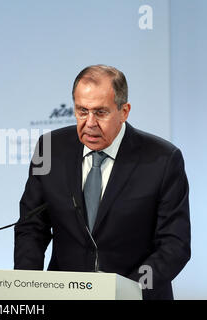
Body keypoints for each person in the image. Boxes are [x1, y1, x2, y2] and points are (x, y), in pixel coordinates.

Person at [14, 64, 191, 300]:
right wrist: (28, 288)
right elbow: (31, 227)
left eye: (100, 112)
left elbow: (174, 245)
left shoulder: (162, 159)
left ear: (124, 111)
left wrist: (129, 289)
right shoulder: (49, 149)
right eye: (81, 111)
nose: (89, 122)